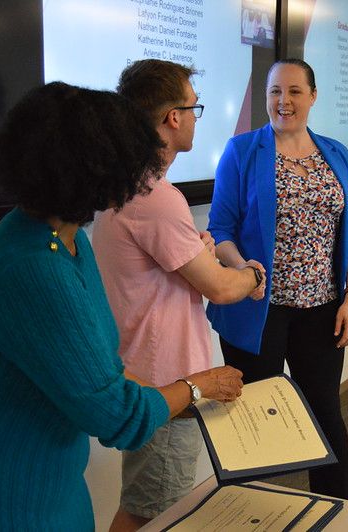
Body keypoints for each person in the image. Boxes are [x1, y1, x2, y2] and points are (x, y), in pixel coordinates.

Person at [0, 82, 243, 531]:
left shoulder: (63, 236)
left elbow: (102, 366)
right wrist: (198, 385)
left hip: (38, 479)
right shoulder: (36, 266)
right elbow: (118, 416)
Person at [92, 59, 264, 532]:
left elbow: (162, 270)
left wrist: (201, 249)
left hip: (149, 379)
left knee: (145, 506)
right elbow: (222, 288)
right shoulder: (156, 196)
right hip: (166, 384)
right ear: (172, 117)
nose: (193, 118)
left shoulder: (129, 186)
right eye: (194, 108)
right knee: (156, 515)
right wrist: (252, 273)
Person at [207, 59, 348, 501]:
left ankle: (344, 516)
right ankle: (247, 516)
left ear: (313, 96)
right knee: (253, 426)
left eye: (295, 91)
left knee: (326, 419)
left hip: (322, 310)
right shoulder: (242, 150)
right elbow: (220, 228)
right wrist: (243, 268)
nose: (284, 101)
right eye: (275, 91)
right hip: (257, 310)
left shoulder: (336, 153)